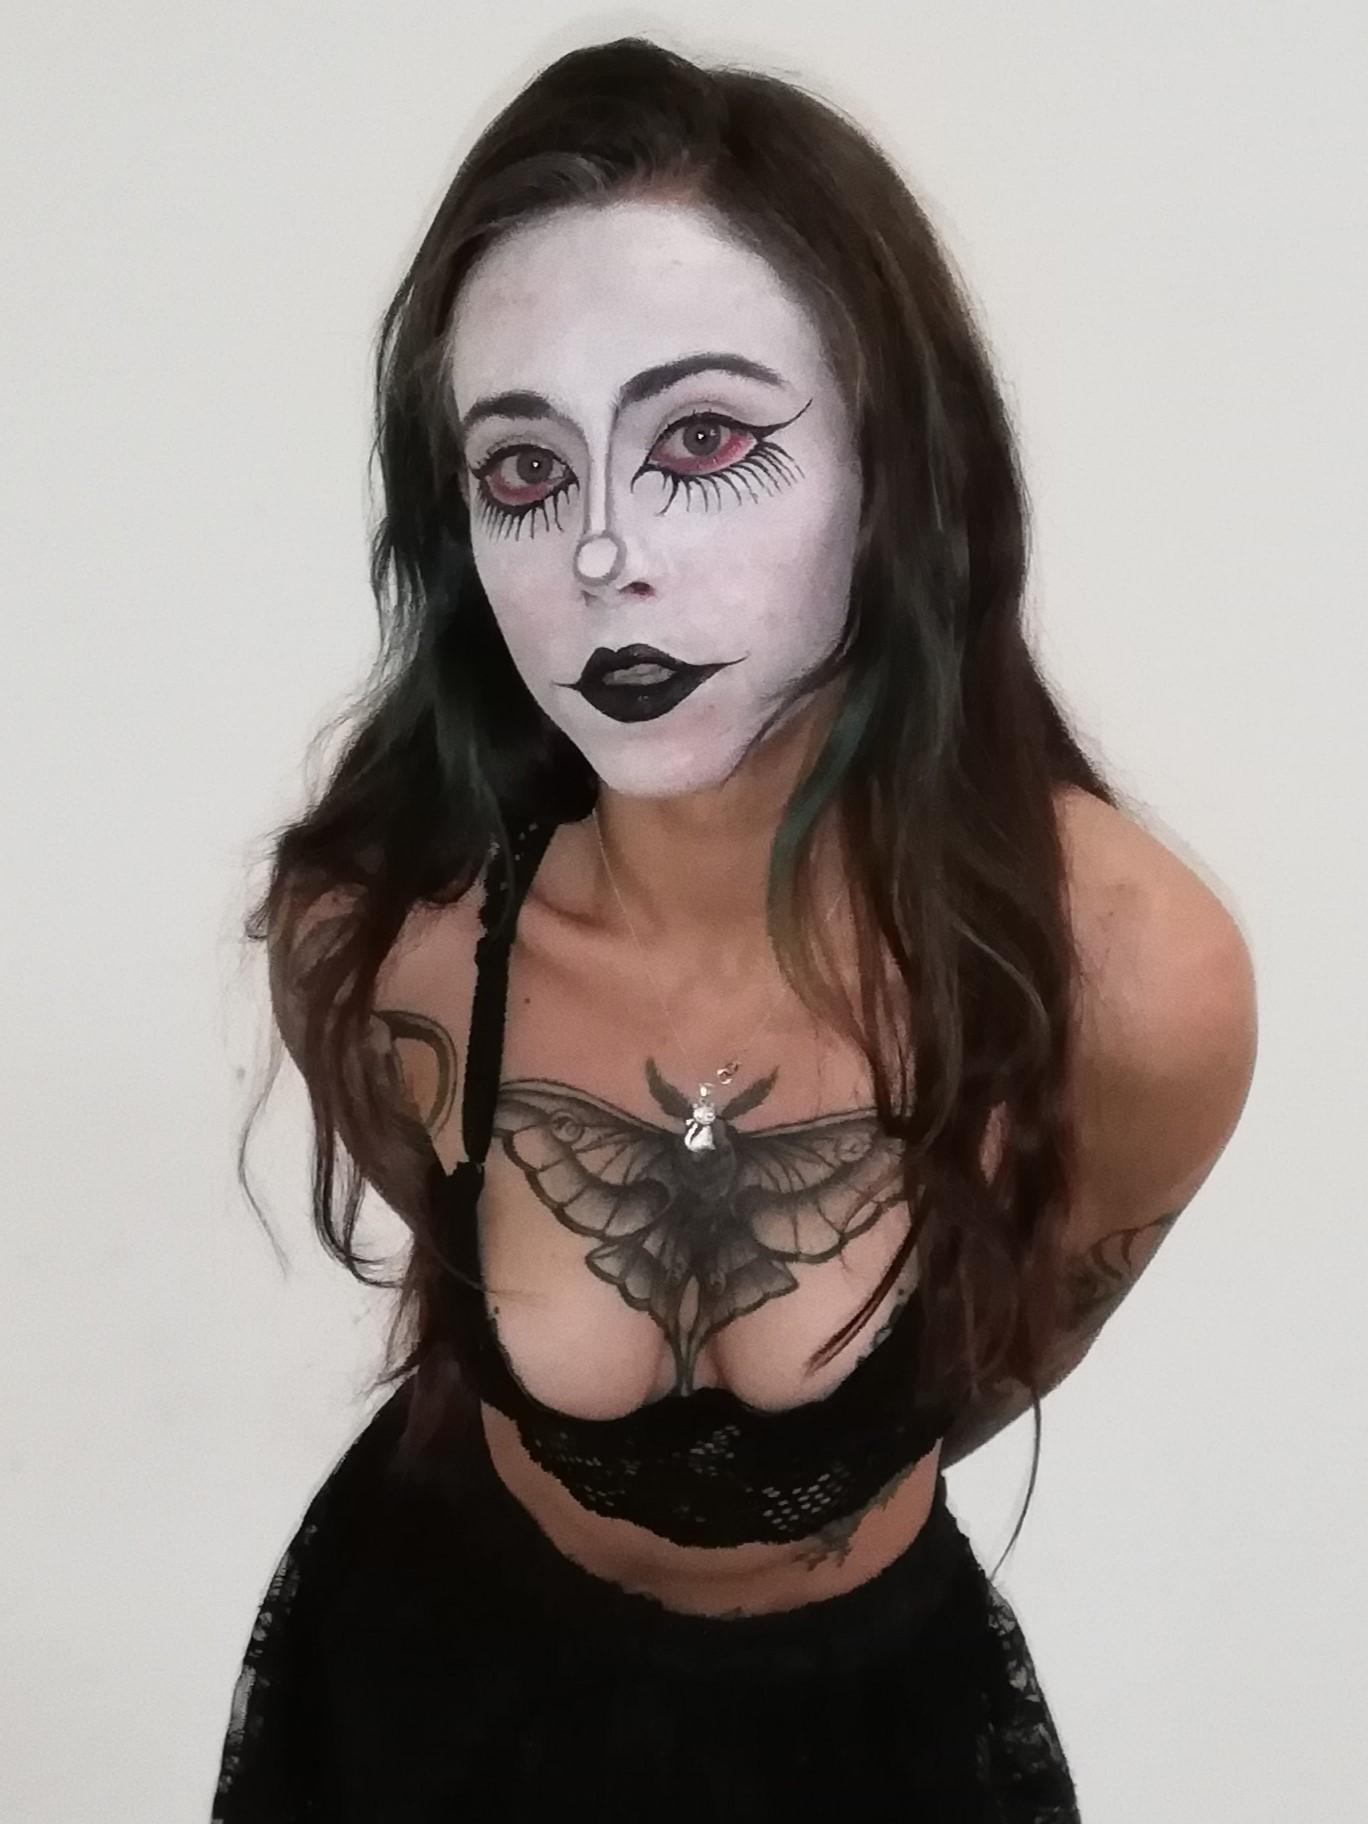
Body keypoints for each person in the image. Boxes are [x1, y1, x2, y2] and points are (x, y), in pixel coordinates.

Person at [212, 34, 1257, 1822]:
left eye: (701, 440)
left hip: (860, 1752)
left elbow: (1014, 1342)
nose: (601, 556)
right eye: (522, 472)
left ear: (898, 463)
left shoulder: (1130, 980)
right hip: (424, 1700)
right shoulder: (384, 932)